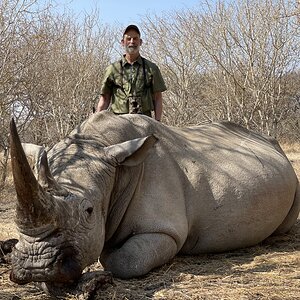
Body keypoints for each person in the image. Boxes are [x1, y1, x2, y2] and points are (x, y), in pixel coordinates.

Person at [96, 25, 167, 121]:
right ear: (122, 42)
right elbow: (104, 99)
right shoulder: (112, 69)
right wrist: (96, 120)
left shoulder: (151, 68)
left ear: (140, 42)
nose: (132, 42)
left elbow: (158, 98)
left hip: (144, 122)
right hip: (118, 122)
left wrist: (157, 122)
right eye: (128, 39)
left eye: (135, 39)